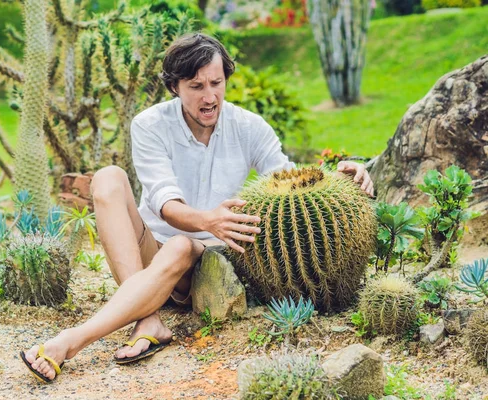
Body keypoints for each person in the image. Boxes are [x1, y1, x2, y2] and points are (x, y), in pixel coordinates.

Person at [20, 33, 374, 383]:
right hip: (146, 250)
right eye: (196, 86)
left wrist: (339, 174)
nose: (209, 97)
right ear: (174, 86)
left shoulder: (249, 126)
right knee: (109, 178)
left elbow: (289, 180)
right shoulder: (150, 124)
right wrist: (209, 218)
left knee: (181, 244)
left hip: (205, 263)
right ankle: (149, 317)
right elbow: (165, 205)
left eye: (216, 83)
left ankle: (72, 340)